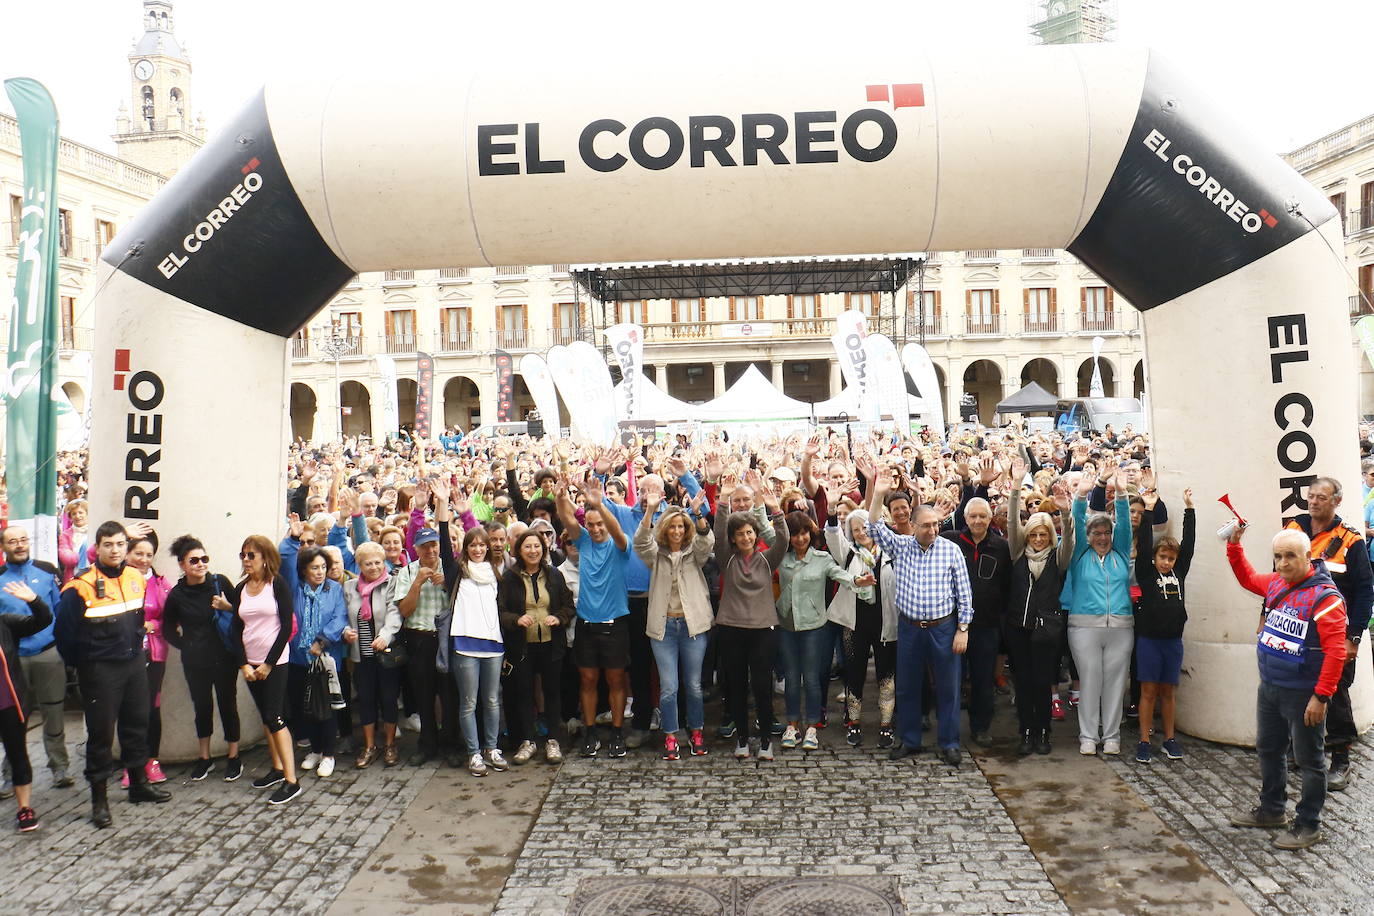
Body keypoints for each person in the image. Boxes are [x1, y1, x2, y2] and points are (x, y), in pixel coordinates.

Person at [1227, 524, 1347, 850]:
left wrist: (1321, 696)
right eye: (1277, 557)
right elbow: (1249, 579)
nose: (1282, 563)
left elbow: (1337, 652)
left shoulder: (1325, 598)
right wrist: (1234, 548)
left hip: (1303, 693)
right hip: (1270, 687)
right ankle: (1272, 810)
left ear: (1308, 557)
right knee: (1269, 749)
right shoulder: (1278, 582)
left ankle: (1309, 824)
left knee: (1310, 761)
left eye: (1290, 556)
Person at [53, 520, 171, 827]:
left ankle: (138, 785)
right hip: (99, 670)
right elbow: (64, 634)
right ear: (98, 548)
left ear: (126, 547)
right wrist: (85, 664)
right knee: (101, 736)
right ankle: (99, 800)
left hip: (133, 664)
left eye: (120, 544)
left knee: (136, 726)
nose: (115, 550)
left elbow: (137, 620)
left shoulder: (135, 577)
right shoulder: (80, 585)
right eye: (109, 545)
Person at [865, 471, 972, 768]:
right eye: (926, 525)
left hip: (944, 627)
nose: (933, 530)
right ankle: (910, 740)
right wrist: (877, 493)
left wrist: (962, 629)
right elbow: (872, 526)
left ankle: (949, 742)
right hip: (911, 627)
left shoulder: (951, 551)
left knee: (948, 688)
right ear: (912, 527)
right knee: (908, 686)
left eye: (936, 524)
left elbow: (964, 593)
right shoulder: (900, 546)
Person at [1283, 477, 1372, 791]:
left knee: (1334, 695)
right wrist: (1268, 614)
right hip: (1299, 631)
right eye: (1311, 496)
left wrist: (1355, 636)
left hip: (1334, 633)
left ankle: (1341, 760)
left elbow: (1364, 592)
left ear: (1336, 501)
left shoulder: (1350, 540)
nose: (1314, 501)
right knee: (1297, 689)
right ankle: (1303, 749)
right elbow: (1279, 580)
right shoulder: (1293, 530)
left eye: (1322, 497)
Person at [776, 510, 872, 752]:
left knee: (811, 678)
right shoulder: (782, 558)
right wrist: (769, 506)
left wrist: (857, 581)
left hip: (813, 627)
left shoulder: (821, 558)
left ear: (811, 533)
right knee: (791, 678)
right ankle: (792, 724)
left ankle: (811, 727)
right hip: (787, 626)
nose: (800, 539)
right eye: (795, 534)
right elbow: (769, 533)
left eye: (804, 533)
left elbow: (840, 575)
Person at [633, 493, 715, 760]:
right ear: (665, 528)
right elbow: (641, 542)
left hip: (693, 627)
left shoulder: (695, 553)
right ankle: (670, 733)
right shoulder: (655, 555)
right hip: (664, 627)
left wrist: (698, 513)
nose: (677, 531)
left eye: (681, 526)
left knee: (693, 684)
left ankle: (697, 730)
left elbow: (706, 541)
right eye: (672, 526)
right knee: (669, 686)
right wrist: (651, 511)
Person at [556, 474, 632, 759]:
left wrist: (600, 506)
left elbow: (616, 530)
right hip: (587, 624)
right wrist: (561, 495)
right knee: (587, 679)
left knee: (615, 680)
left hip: (615, 623)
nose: (597, 529)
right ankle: (589, 732)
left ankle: (616, 731)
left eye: (600, 524)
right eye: (592, 524)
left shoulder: (619, 544)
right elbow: (566, 517)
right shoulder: (584, 542)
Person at [435, 484, 507, 777]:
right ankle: (474, 753)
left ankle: (491, 748)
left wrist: (468, 515)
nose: (478, 549)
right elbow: (442, 543)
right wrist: (444, 510)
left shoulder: (496, 571)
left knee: (492, 700)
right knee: (469, 702)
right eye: (472, 545)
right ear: (465, 549)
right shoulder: (457, 572)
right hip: (464, 644)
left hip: (493, 645)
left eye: (482, 545)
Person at [1062, 466, 1133, 756]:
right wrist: (1081, 496)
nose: (1103, 537)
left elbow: (1126, 524)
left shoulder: (1120, 553)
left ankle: (1112, 735)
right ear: (1089, 536)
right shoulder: (1080, 555)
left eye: (1107, 532)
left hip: (1121, 627)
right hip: (1083, 627)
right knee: (1090, 680)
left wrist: (1122, 494)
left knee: (1116, 683)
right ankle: (1088, 735)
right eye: (1097, 533)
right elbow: (1077, 523)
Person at [714, 487, 789, 761]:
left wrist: (775, 510)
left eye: (749, 532)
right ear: (733, 538)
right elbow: (718, 532)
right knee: (735, 685)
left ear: (755, 535)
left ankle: (766, 740)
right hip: (731, 629)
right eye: (740, 533)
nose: (745, 537)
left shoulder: (767, 559)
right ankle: (743, 739)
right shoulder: (727, 558)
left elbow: (783, 541)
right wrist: (723, 503)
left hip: (763, 630)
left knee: (761, 685)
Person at [1003, 466, 1074, 756]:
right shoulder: (1018, 553)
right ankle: (1026, 730)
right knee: (1023, 683)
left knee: (1043, 683)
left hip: (1046, 631)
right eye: (1034, 534)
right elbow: (1010, 524)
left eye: (1043, 534)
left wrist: (1066, 514)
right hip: (1019, 628)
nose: (1038, 539)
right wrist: (1016, 488)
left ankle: (1043, 731)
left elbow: (1068, 540)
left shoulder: (1058, 559)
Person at [163, 535, 242, 781]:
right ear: (182, 565)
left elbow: (242, 615)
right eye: (194, 560)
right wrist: (185, 646)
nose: (200, 564)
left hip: (224, 657)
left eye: (204, 558)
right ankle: (205, 758)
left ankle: (233, 756)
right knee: (202, 707)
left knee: (228, 704)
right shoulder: (177, 594)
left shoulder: (220, 583)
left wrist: (227, 607)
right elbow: (167, 628)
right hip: (195, 662)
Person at [229, 535, 301, 805]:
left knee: (275, 716)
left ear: (265, 558)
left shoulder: (277, 585)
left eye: (251, 555)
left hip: (276, 662)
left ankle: (292, 780)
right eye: (243, 555)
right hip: (251, 661)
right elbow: (236, 628)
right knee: (265, 716)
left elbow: (285, 626)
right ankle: (277, 768)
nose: (246, 560)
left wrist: (269, 663)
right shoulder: (240, 589)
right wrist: (243, 663)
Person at [939, 484, 1012, 747]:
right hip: (952, 623)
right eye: (973, 516)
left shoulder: (1001, 547)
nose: (978, 521)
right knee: (951, 679)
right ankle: (949, 730)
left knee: (983, 680)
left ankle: (981, 727)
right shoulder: (951, 540)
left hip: (986, 625)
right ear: (965, 519)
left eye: (983, 516)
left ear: (990, 518)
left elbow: (1006, 584)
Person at [0, 526, 69, 794]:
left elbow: (60, 612)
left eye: (23, 540)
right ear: (4, 547)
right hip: (12, 661)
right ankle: (11, 773)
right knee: (13, 720)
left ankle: (59, 766)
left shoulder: (47, 570)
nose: (19, 545)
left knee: (54, 712)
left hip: (47, 653)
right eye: (12, 541)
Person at [389, 525, 461, 767]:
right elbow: (405, 610)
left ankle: (451, 743)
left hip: (446, 638)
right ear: (416, 548)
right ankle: (427, 744)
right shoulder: (407, 572)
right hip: (419, 638)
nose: (430, 550)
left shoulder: (450, 568)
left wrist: (445, 585)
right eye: (424, 546)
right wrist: (417, 583)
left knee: (449, 694)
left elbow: (463, 602)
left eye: (433, 544)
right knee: (424, 694)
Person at [500, 528, 574, 765]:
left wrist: (558, 618)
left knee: (552, 692)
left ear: (543, 549)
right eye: (527, 546)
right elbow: (500, 611)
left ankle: (553, 739)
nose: (533, 551)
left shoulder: (554, 575)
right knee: (524, 692)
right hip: (522, 644)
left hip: (551, 642)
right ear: (519, 550)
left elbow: (568, 606)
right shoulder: (509, 577)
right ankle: (527, 741)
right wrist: (516, 620)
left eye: (537, 546)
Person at [825, 508, 897, 749]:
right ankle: (854, 722)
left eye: (865, 527)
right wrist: (833, 512)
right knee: (854, 674)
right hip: (855, 624)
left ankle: (886, 725)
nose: (861, 532)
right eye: (856, 530)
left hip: (886, 623)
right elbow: (833, 536)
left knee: (886, 676)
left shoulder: (890, 552)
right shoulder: (848, 553)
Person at [278, 533, 348, 779]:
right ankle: (315, 750)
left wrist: (321, 641)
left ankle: (329, 754)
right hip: (298, 658)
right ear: (304, 570)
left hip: (326, 659)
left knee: (326, 707)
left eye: (323, 567)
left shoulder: (335, 589)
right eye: (314, 568)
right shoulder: (294, 587)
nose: (320, 572)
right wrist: (293, 539)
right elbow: (285, 561)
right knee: (304, 706)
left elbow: (340, 617)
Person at [1133, 487, 1195, 764]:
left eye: (1171, 558)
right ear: (1155, 558)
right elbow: (1145, 543)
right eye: (1163, 557)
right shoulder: (1146, 573)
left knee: (1168, 691)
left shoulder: (1179, 572)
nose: (1167, 562)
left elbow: (1189, 545)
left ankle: (1170, 738)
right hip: (1149, 640)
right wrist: (1147, 509)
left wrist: (1189, 510)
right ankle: (1144, 740)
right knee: (1148, 692)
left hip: (1173, 641)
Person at [342, 541, 403, 768]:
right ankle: (369, 746)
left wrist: (386, 635)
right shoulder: (349, 587)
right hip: (361, 653)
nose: (374, 567)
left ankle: (389, 744)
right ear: (359, 565)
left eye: (378, 562)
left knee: (388, 698)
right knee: (366, 699)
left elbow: (394, 613)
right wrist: (345, 631)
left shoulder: (391, 584)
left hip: (384, 651)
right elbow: (342, 615)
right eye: (368, 563)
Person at [0, 577, 53, 832]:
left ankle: (24, 808)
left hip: (9, 702)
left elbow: (43, 620)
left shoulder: (5, 623)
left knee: (17, 754)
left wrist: (33, 600)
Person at [124, 530, 171, 787]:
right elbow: (93, 553)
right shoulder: (117, 579)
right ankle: (131, 764)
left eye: (148, 554)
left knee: (152, 706)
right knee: (129, 709)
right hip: (124, 654)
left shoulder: (161, 583)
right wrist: (123, 532)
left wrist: (151, 625)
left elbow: (170, 619)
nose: (143, 559)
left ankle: (151, 760)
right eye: (138, 553)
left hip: (153, 653)